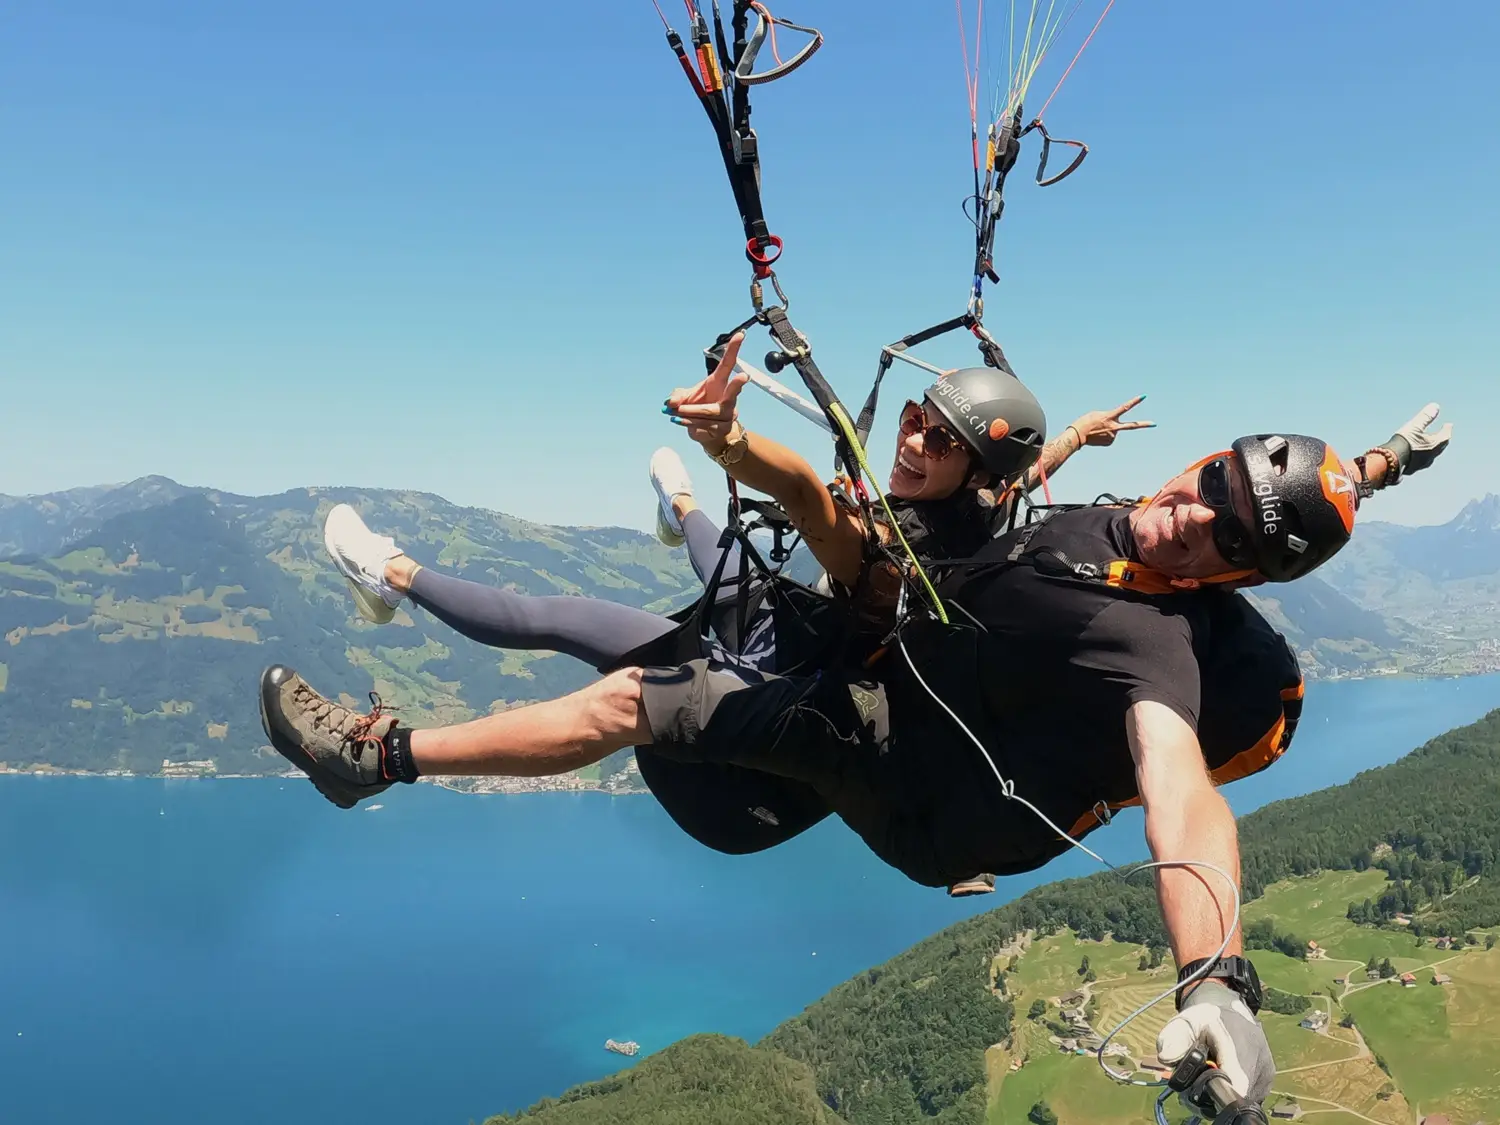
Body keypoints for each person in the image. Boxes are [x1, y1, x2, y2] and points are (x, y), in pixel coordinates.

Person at [257, 402, 1452, 1107]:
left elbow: (1184, 798)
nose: (1195, 514)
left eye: (1225, 534)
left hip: (916, 794)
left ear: (1236, 574)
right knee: (681, 606)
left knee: (639, 691)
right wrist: (1384, 464)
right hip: (888, 687)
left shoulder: (1152, 647)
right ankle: (649, 518)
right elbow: (990, 512)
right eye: (1211, 483)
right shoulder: (1098, 523)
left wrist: (1214, 978)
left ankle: (375, 757)